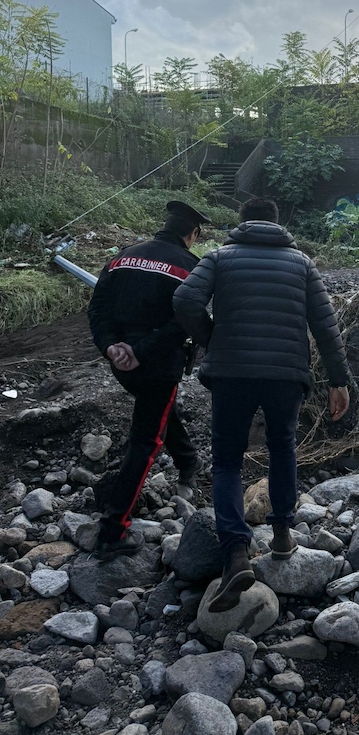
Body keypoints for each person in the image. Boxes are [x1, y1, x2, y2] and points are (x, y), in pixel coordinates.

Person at [173, 195, 350, 612]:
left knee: (228, 461)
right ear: (277, 223)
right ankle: (284, 533)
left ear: (242, 222)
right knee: (282, 446)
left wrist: (210, 337)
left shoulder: (219, 257)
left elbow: (184, 301)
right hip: (285, 374)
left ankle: (236, 553)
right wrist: (339, 380)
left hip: (232, 372)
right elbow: (326, 324)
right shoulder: (302, 263)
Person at [87, 200, 212, 560]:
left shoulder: (123, 255)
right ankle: (113, 530)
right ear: (192, 234)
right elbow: (184, 322)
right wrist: (142, 350)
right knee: (146, 440)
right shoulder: (191, 266)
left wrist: (111, 347)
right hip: (158, 363)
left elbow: (97, 308)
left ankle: (188, 462)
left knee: (156, 411)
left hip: (121, 362)